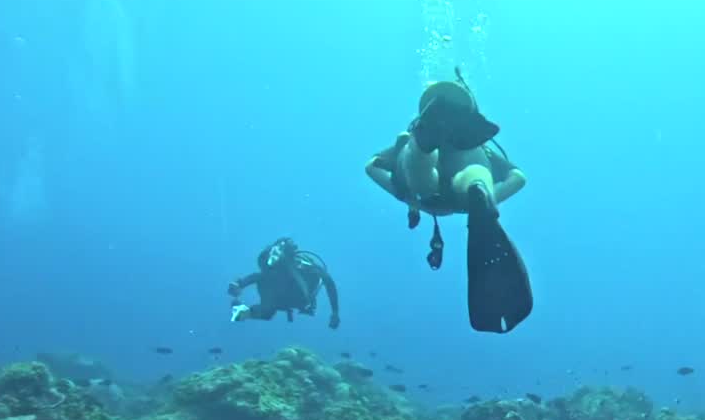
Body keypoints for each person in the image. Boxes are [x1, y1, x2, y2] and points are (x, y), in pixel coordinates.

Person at [364, 72, 533, 334]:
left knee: (420, 175)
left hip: (424, 193)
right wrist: (489, 200)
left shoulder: (410, 152)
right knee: (472, 173)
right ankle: (478, 189)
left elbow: (371, 166)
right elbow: (518, 177)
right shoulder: (481, 147)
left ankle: (423, 144)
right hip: (467, 172)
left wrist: (404, 196)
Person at [227, 237, 340, 329]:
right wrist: (239, 284)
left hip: (295, 299)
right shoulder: (271, 271)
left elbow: (329, 282)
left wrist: (335, 312)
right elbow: (257, 277)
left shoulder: (306, 267)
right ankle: (241, 312)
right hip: (281, 299)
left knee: (267, 313)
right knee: (267, 313)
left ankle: (243, 312)